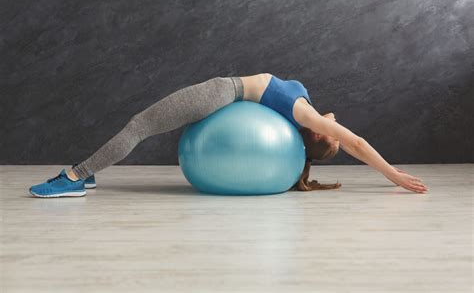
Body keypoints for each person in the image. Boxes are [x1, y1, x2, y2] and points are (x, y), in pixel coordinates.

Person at [29, 73, 428, 198]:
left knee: (140, 125)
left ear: (317, 135)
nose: (335, 121)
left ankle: (76, 177)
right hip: (225, 95)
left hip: (222, 93)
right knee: (141, 124)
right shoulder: (297, 113)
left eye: (332, 134)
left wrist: (392, 174)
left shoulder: (302, 113)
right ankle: (93, 170)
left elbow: (355, 143)